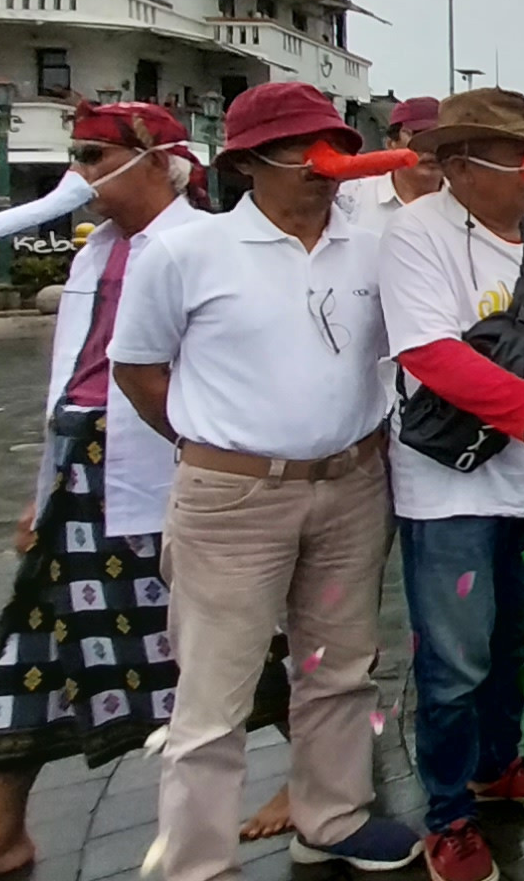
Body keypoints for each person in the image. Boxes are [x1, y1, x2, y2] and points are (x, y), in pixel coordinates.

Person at [0, 103, 291, 881]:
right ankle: (0, 829)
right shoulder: (100, 253)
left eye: (94, 155)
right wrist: (43, 486)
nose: (80, 172)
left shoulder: (203, 248)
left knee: (229, 638)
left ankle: (314, 774)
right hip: (81, 468)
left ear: (158, 160)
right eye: (78, 155)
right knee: (30, 641)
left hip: (176, 468)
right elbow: (76, 373)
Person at [109, 82, 422, 878]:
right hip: (233, 498)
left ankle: (332, 816)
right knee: (216, 690)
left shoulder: (373, 244)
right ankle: (195, 861)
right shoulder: (187, 251)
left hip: (352, 481)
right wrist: (217, 448)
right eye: (299, 149)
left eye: (334, 147)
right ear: (248, 163)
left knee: (339, 666)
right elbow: (139, 370)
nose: (323, 165)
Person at [378, 90, 524, 878]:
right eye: (517, 157)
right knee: (455, 656)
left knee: (513, 638)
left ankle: (496, 764)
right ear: (463, 166)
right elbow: (428, 351)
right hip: (450, 489)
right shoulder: (414, 234)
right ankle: (448, 814)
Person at [336, 94, 445, 232]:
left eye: (439, 136)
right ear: (390, 144)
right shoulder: (350, 197)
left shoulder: (467, 204)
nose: (430, 147)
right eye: (417, 136)